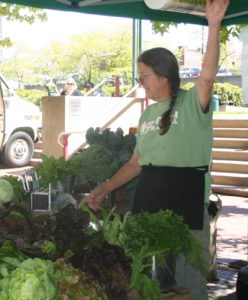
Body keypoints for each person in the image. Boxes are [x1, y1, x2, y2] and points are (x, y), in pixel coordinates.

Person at [83, 1, 229, 299]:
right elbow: (137, 163)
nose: (140, 82)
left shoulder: (192, 103)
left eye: (143, 76)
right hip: (149, 202)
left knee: (188, 282)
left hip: (186, 204)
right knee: (147, 281)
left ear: (163, 75)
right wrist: (103, 188)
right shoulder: (148, 115)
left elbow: (208, 75)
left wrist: (214, 26)